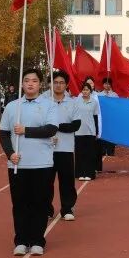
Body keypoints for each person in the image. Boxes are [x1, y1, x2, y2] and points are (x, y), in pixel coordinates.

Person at [0, 68, 58, 256]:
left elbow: (51, 129)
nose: (30, 84)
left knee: (40, 203)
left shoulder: (49, 105)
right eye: (26, 80)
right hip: (18, 164)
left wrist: (26, 130)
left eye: (34, 80)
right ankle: (21, 241)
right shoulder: (12, 107)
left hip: (42, 164)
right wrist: (10, 154)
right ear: (22, 84)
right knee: (20, 204)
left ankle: (37, 240)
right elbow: (3, 133)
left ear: (40, 84)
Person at [42, 70, 81, 221]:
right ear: (50, 84)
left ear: (66, 85)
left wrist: (55, 127)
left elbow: (75, 125)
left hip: (65, 148)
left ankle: (67, 208)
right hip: (46, 148)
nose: (58, 85)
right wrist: (51, 130)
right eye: (55, 82)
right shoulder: (43, 102)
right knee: (46, 181)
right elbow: (39, 123)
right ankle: (46, 209)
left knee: (67, 181)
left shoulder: (73, 103)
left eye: (61, 83)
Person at [74, 83, 100, 181]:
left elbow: (95, 117)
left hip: (90, 131)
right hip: (79, 131)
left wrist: (97, 131)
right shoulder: (76, 101)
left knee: (89, 154)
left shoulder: (94, 102)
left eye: (87, 90)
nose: (85, 91)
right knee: (80, 153)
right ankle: (80, 173)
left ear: (90, 91)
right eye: (83, 89)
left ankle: (89, 173)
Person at [99, 78, 119, 158]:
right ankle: (102, 152)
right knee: (102, 140)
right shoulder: (99, 95)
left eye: (108, 83)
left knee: (111, 139)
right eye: (105, 83)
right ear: (103, 85)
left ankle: (111, 153)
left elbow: (117, 107)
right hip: (102, 121)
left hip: (111, 120)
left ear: (110, 85)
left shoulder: (115, 95)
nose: (106, 85)